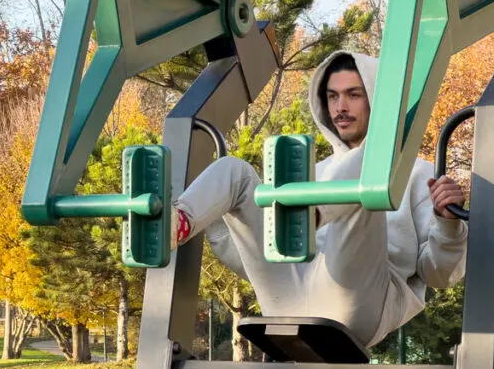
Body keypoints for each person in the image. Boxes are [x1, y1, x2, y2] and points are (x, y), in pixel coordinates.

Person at [171, 51, 468, 349]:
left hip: (356, 306)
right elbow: (249, 261)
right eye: (332, 96)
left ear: (376, 100)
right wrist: (221, 225)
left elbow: (440, 275)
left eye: (354, 95)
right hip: (288, 301)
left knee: (369, 168)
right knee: (234, 171)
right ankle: (173, 224)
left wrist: (448, 225)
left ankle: (308, 216)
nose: (341, 107)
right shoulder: (316, 172)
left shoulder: (416, 173)